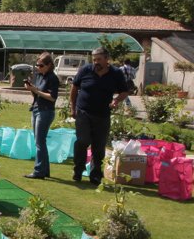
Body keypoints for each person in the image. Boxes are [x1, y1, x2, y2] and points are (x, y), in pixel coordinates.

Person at [70, 47, 129, 185]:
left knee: (99, 145)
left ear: (107, 59)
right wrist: (73, 108)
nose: (95, 62)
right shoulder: (85, 70)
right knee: (82, 141)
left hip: (102, 114)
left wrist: (116, 100)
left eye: (99, 59)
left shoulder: (116, 73)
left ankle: (95, 175)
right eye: (94, 59)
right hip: (83, 112)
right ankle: (78, 171)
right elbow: (74, 88)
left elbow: (124, 91)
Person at [23, 52, 59, 179]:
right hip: (36, 109)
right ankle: (45, 170)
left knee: (39, 142)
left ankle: (39, 171)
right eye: (37, 65)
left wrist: (36, 90)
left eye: (41, 65)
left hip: (46, 111)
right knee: (39, 141)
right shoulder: (38, 76)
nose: (38, 67)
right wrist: (31, 89)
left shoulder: (53, 78)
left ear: (49, 65)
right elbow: (36, 95)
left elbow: (52, 97)